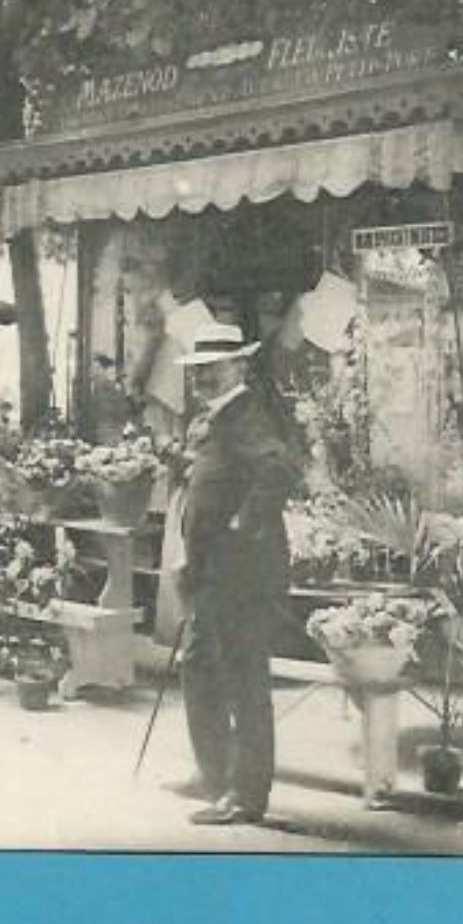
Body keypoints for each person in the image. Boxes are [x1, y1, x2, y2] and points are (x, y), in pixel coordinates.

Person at [171, 322, 305, 826]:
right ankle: (216, 776)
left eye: (213, 368)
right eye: (198, 370)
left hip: (241, 573)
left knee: (242, 678)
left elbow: (280, 470)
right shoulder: (218, 418)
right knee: (200, 665)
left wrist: (240, 524)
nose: (203, 377)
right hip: (210, 571)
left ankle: (246, 795)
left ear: (239, 367)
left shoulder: (249, 414)